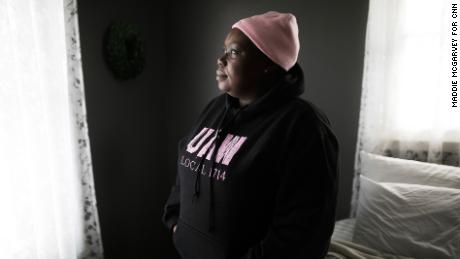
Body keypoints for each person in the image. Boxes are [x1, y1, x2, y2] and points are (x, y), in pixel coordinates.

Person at [162, 11, 340, 259]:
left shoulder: (303, 126)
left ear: (267, 63)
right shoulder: (215, 108)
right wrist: (175, 222)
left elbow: (304, 234)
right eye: (224, 50)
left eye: (233, 52)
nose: (220, 59)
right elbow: (185, 165)